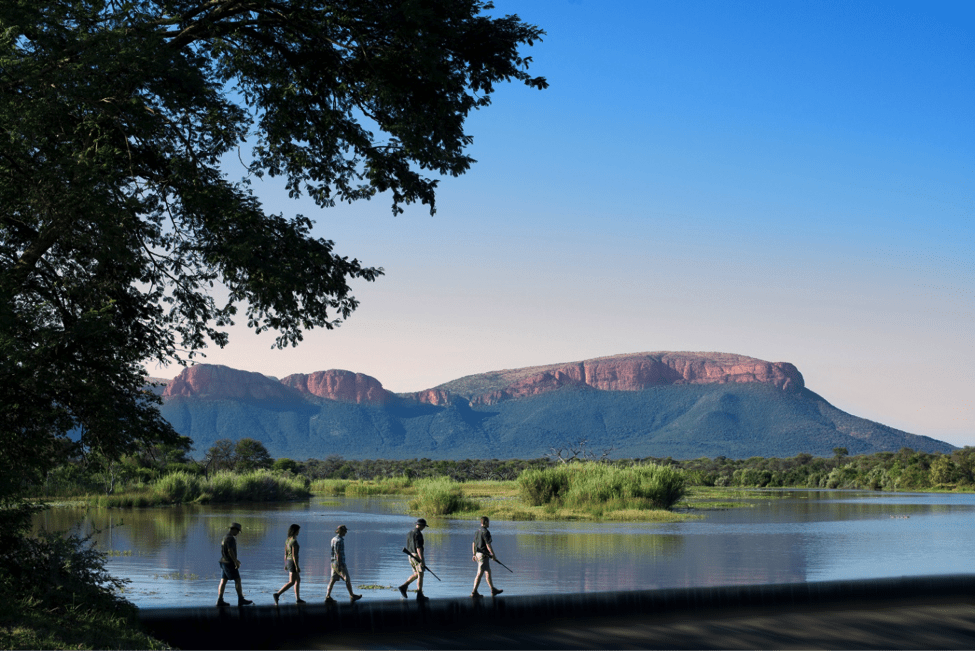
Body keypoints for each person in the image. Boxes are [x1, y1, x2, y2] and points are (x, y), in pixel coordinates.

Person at [216, 522, 253, 607]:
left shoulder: (225, 537)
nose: (238, 533)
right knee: (237, 580)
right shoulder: (231, 538)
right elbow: (230, 551)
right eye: (238, 531)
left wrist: (236, 560)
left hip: (223, 561)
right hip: (229, 563)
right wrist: (235, 561)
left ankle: (220, 600)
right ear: (234, 529)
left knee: (223, 581)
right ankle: (241, 599)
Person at [325, 525, 362, 603]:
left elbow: (333, 552)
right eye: (345, 531)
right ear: (341, 531)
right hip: (340, 563)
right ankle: (352, 595)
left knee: (332, 580)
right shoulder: (339, 540)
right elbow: (338, 553)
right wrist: (340, 565)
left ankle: (327, 596)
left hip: (333, 563)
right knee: (347, 579)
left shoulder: (333, 539)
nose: (346, 532)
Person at [273, 523, 305, 604]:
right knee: (292, 582)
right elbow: (294, 555)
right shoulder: (293, 541)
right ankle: (277, 594)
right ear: (295, 531)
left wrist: (285, 564)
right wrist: (297, 566)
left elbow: (285, 553)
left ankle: (298, 599)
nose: (299, 532)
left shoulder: (288, 540)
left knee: (298, 580)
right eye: (298, 530)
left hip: (289, 561)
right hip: (293, 562)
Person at [471, 516, 502, 597]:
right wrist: (493, 555)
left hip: (478, 554)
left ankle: (493, 589)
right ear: (485, 522)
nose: (489, 523)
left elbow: (473, 543)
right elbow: (488, 545)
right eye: (488, 522)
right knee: (480, 573)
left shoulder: (477, 531)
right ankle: (474, 592)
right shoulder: (486, 532)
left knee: (488, 571)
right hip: (483, 556)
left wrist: (474, 554)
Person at [399, 518, 429, 602]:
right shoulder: (418, 534)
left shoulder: (409, 533)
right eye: (424, 526)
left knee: (416, 573)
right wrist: (422, 559)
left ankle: (404, 586)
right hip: (416, 555)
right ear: (421, 525)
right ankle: (419, 594)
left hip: (410, 555)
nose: (424, 528)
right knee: (420, 574)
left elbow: (409, 545)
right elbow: (418, 547)